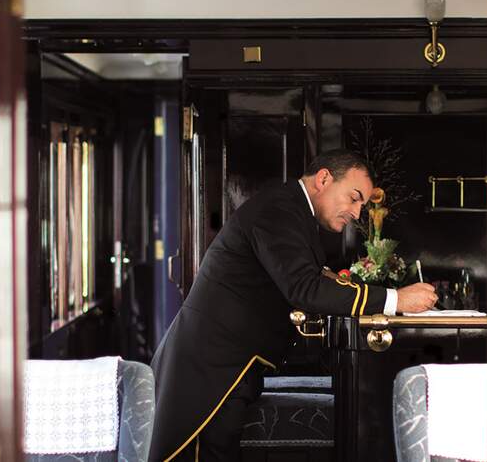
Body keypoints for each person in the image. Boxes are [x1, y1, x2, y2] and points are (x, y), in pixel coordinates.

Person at [149, 149, 438, 461]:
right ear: (324, 179)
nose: (357, 213)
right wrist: (396, 299)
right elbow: (306, 287)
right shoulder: (279, 210)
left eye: (364, 205)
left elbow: (312, 281)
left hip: (227, 364)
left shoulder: (292, 210)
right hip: (210, 368)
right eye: (354, 198)